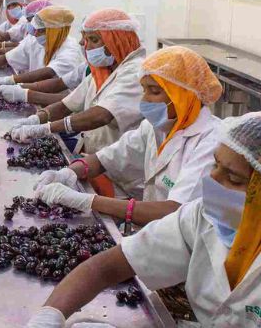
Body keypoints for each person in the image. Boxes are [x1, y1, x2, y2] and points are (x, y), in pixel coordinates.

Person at [0, 113, 261, 328]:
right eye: (214, 166)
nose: (212, 182)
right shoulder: (205, 216)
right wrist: (45, 322)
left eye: (232, 177)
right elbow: (108, 266)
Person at [33, 46, 224, 226]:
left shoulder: (211, 143)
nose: (145, 99)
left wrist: (87, 201)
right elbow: (108, 158)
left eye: (154, 91)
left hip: (184, 245)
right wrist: (70, 172)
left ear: (184, 96)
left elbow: (174, 210)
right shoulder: (157, 127)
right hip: (155, 233)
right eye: (144, 90)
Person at [6, 9, 146, 191]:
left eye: (93, 40)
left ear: (116, 41)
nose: (84, 45)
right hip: (98, 160)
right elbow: (68, 104)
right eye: (85, 39)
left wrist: (46, 128)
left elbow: (101, 115)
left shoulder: (136, 72)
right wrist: (36, 118)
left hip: (123, 174)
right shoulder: (103, 69)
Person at [0, 7, 86, 103]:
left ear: (54, 32)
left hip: (58, 105)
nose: (36, 33)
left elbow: (48, 73)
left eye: (40, 30)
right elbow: (10, 56)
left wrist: (12, 82)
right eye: (35, 30)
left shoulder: (70, 51)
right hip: (35, 98)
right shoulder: (35, 39)